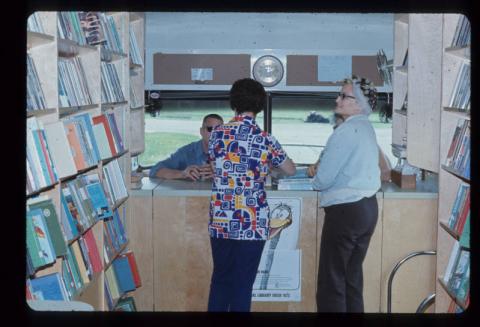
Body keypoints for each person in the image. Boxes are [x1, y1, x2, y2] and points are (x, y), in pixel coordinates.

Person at [207, 78, 296, 312]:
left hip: (221, 219)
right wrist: (266, 166)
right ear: (260, 106)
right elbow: (290, 169)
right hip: (251, 221)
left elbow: (218, 167)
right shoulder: (265, 139)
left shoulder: (216, 134)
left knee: (220, 279)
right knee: (242, 285)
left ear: (232, 103)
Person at [311, 76, 381, 312]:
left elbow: (322, 181)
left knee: (332, 283)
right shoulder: (366, 128)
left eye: (344, 96)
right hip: (367, 209)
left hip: (346, 212)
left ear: (359, 104)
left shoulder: (346, 131)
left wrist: (316, 174)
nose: (337, 99)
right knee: (351, 280)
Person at [307, 113, 392, 182]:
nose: (338, 132)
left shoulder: (368, 145)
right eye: (336, 128)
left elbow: (386, 174)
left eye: (342, 128)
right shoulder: (332, 148)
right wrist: (313, 170)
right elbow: (318, 168)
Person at [148, 114, 224, 181]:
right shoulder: (187, 152)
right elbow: (155, 170)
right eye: (210, 129)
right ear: (201, 131)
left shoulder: (232, 153)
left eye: (218, 129)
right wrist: (182, 173)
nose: (215, 133)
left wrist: (222, 174)